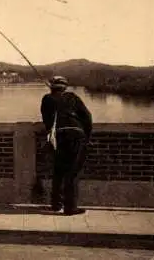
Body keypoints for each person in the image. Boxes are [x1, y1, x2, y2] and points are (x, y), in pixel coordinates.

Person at [40, 76, 93, 216]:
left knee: (58, 171)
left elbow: (47, 121)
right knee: (72, 172)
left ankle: (56, 205)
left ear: (52, 87)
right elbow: (87, 117)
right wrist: (86, 135)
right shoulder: (72, 97)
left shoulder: (47, 99)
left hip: (58, 137)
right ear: (65, 87)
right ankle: (70, 208)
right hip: (76, 135)